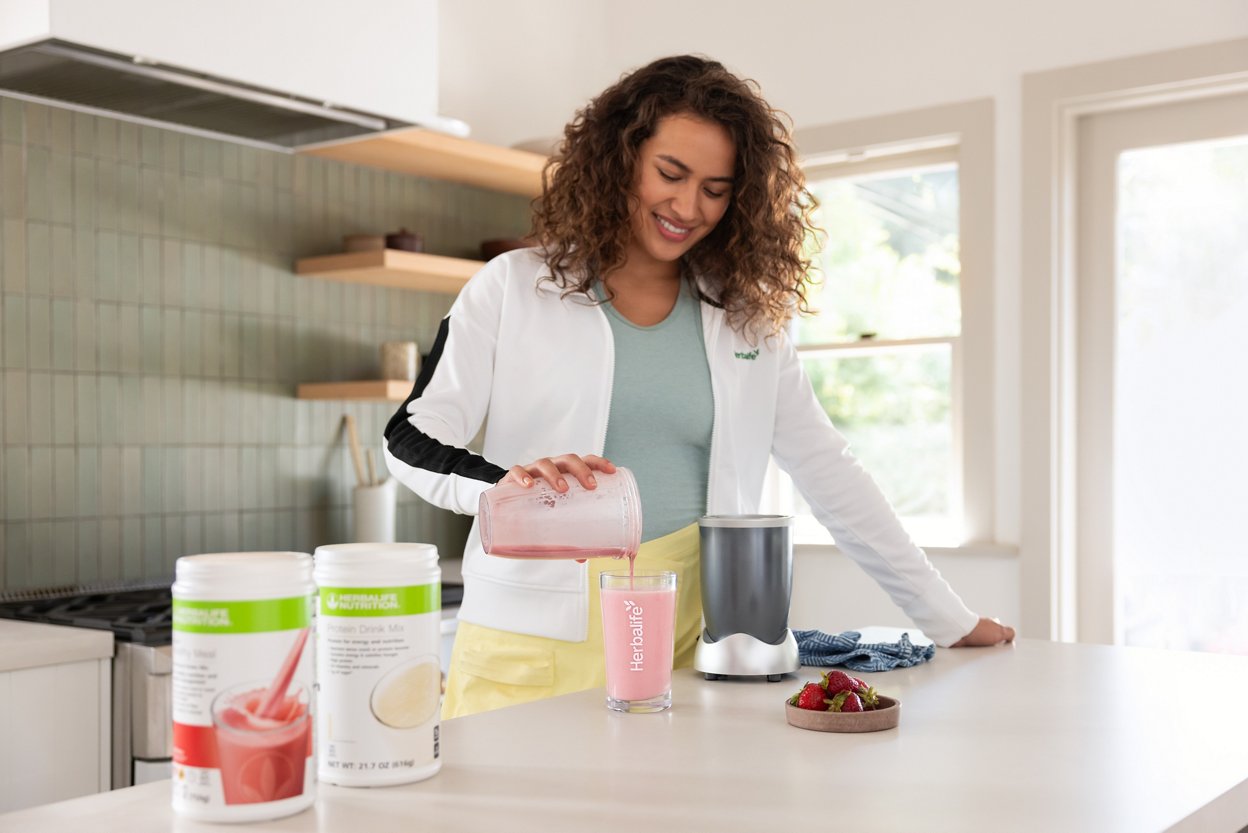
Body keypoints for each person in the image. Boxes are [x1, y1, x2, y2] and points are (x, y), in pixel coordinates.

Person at [384, 54, 1015, 719]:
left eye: (716, 188)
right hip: (527, 651)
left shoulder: (746, 319)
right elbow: (411, 436)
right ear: (619, 157)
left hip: (684, 651)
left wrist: (947, 616)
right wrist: (508, 485)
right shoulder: (513, 287)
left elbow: (830, 472)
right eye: (671, 173)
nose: (689, 207)